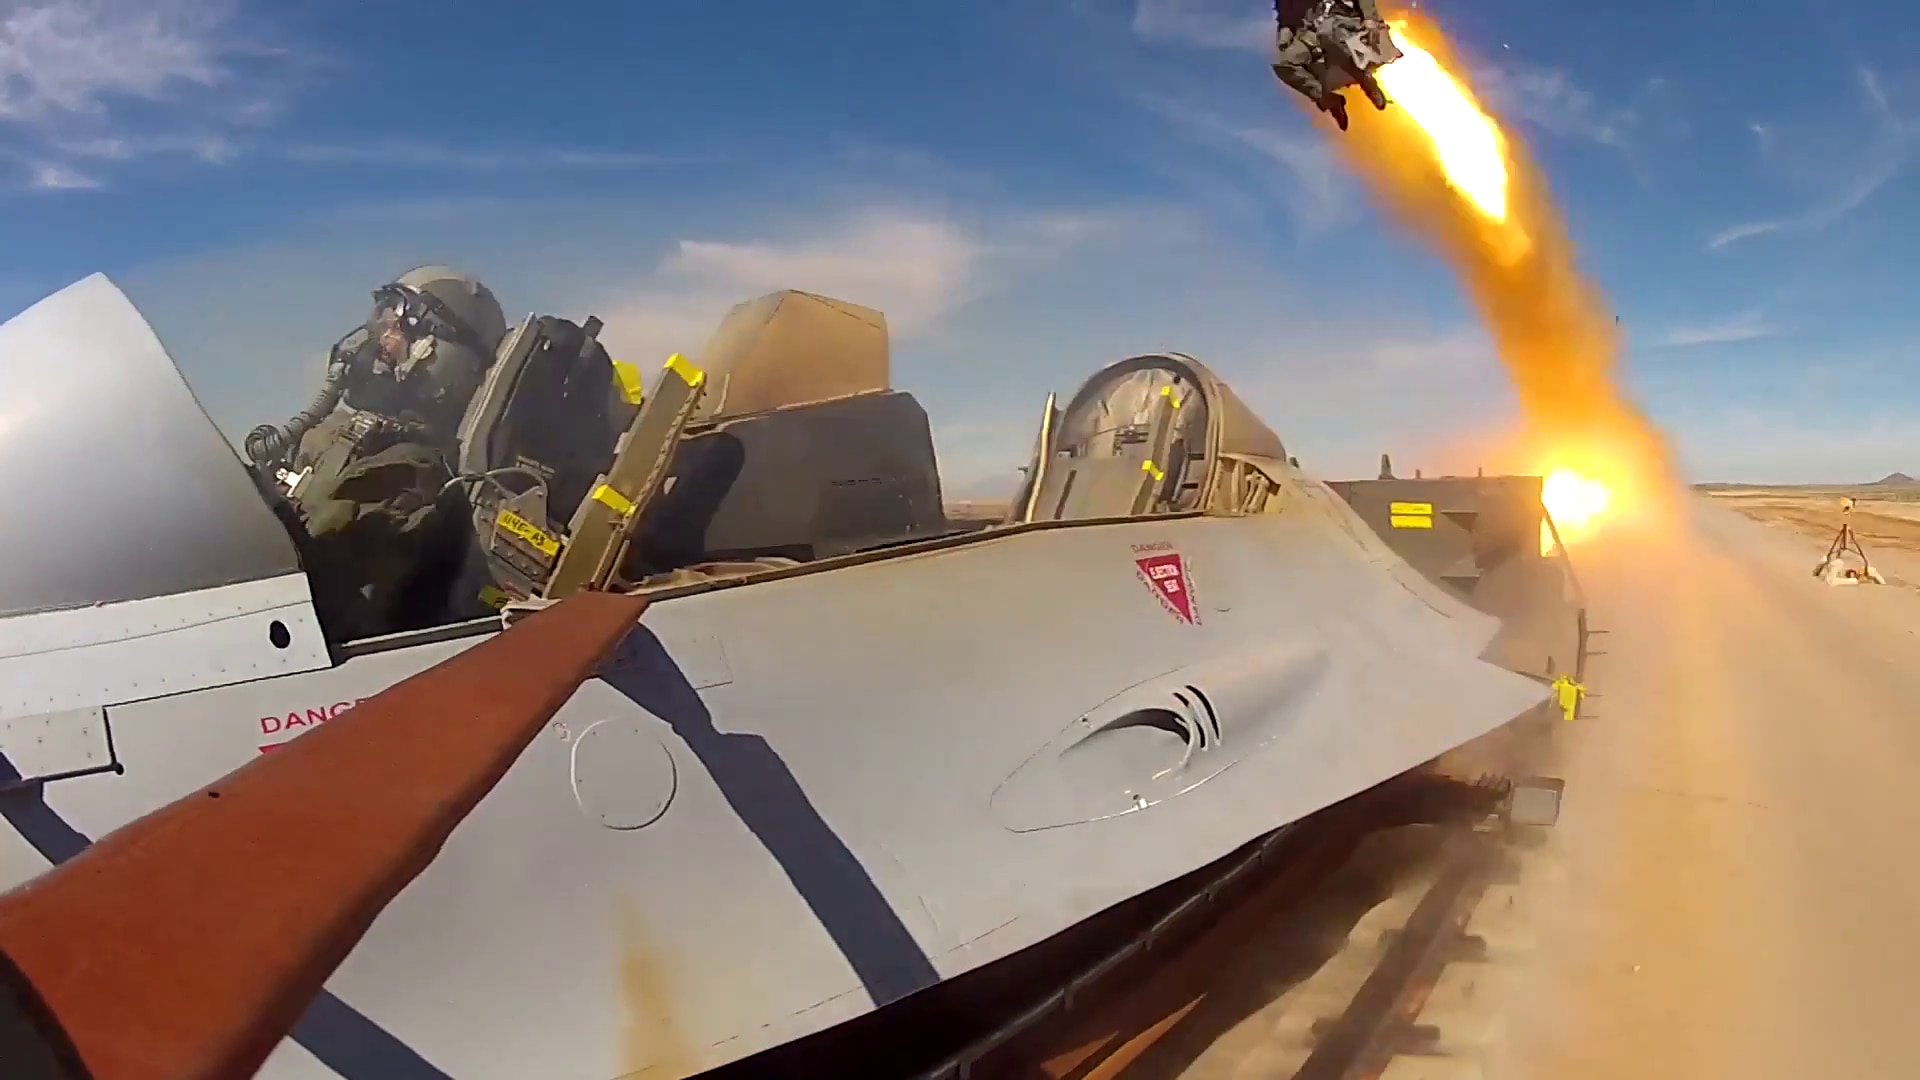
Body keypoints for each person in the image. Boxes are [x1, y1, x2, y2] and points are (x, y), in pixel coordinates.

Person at [244, 265, 509, 638]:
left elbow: (312, 556)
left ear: (438, 355)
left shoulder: (412, 470)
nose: (375, 339)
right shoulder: (337, 431)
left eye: (395, 327)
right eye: (380, 321)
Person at [1272, 0, 1385, 131]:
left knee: (1326, 33)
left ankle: (1366, 81)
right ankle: (1328, 100)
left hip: (1344, 20)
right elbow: (1286, 18)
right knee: (1286, 64)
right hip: (1311, 31)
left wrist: (1370, 18)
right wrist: (1284, 38)